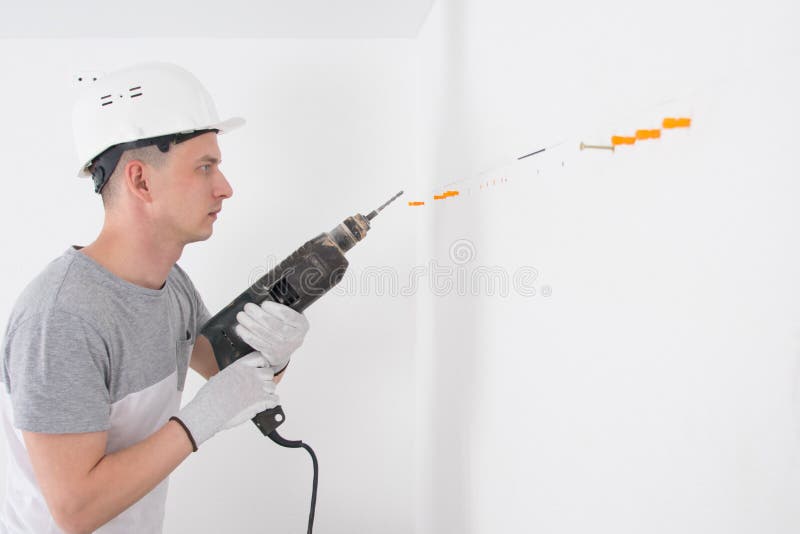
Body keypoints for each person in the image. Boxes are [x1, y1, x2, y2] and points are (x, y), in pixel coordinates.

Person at [0, 62, 310, 533]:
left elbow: (225, 373)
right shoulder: (61, 318)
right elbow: (75, 510)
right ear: (141, 180)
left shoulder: (171, 285)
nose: (225, 188)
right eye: (205, 167)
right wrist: (196, 424)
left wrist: (275, 355)